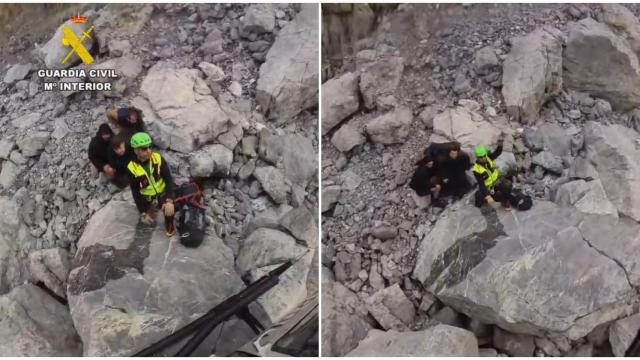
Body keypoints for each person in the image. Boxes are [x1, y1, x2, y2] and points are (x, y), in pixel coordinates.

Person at [127, 132, 176, 237]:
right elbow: (135, 191)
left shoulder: (157, 158)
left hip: (162, 193)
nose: (149, 151)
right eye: (144, 149)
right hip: (149, 199)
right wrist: (143, 211)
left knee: (169, 210)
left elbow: (168, 179)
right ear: (136, 150)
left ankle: (169, 224)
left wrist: (169, 199)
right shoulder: (132, 168)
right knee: (147, 221)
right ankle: (151, 212)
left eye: (150, 147)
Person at [472, 137, 514, 209]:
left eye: (484, 156)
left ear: (486, 155)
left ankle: (504, 201)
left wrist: (500, 145)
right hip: (488, 187)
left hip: (497, 181)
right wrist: (488, 196)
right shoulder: (476, 170)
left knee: (508, 185)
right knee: (479, 201)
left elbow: (497, 152)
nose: (483, 158)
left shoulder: (489, 158)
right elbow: (481, 184)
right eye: (480, 157)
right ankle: (485, 196)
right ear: (477, 157)